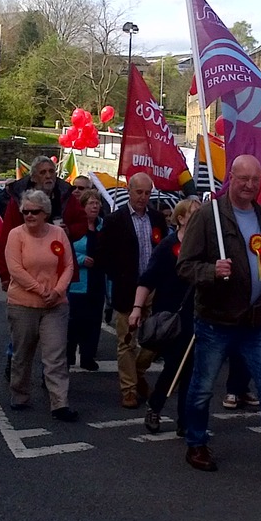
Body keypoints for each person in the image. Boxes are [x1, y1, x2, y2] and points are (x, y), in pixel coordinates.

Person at [177, 154, 261, 489]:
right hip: (216, 320)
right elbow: (184, 267)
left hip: (255, 319)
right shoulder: (207, 216)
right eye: (242, 179)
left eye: (254, 180)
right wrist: (210, 271)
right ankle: (196, 442)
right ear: (230, 178)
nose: (248, 185)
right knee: (203, 387)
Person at [4, 189, 78, 422]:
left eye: (34, 211)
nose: (29, 215)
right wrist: (40, 289)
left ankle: (59, 403)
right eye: (25, 211)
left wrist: (57, 291)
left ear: (45, 212)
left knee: (55, 355)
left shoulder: (58, 234)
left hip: (55, 305)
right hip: (23, 303)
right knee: (23, 353)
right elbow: (15, 269)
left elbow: (68, 265)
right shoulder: (16, 235)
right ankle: (20, 394)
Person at [98, 173, 168, 409]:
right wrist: (119, 276)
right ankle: (128, 389)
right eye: (139, 192)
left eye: (147, 193)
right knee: (127, 341)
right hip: (127, 288)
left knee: (155, 338)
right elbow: (104, 254)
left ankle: (138, 372)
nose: (143, 197)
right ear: (130, 190)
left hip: (154, 289)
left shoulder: (157, 218)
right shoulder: (115, 220)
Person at [135, 197, 201, 435]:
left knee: (191, 369)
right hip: (171, 317)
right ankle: (155, 405)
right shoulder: (167, 246)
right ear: (181, 219)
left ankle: (184, 419)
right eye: (194, 214)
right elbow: (148, 279)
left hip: (197, 316)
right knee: (175, 366)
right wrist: (136, 308)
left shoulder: (205, 247)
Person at [0, 156, 86, 291]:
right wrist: (4, 275)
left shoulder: (65, 195)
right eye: (43, 173)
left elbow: (82, 222)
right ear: (33, 178)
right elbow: (6, 237)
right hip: (27, 269)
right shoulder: (19, 199)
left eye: (51, 172)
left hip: (58, 270)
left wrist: (69, 231)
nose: (48, 176)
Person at [67, 189, 106, 371]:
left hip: (97, 282)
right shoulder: (75, 228)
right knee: (74, 322)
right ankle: (67, 357)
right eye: (91, 203)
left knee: (93, 321)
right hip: (78, 283)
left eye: (97, 202)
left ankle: (88, 356)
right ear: (82, 207)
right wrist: (82, 260)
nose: (95, 206)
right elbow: (67, 250)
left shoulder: (102, 227)